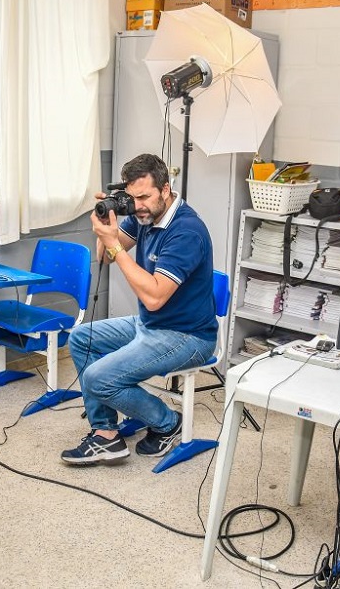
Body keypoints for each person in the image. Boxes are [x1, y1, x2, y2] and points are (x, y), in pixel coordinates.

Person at [61, 154, 218, 465]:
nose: (138, 205)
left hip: (188, 336)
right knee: (80, 338)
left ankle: (167, 422)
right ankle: (106, 433)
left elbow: (155, 297)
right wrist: (106, 227)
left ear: (165, 189)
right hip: (150, 325)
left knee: (97, 378)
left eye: (144, 197)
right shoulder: (143, 214)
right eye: (132, 198)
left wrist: (115, 246)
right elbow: (106, 257)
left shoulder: (186, 231)